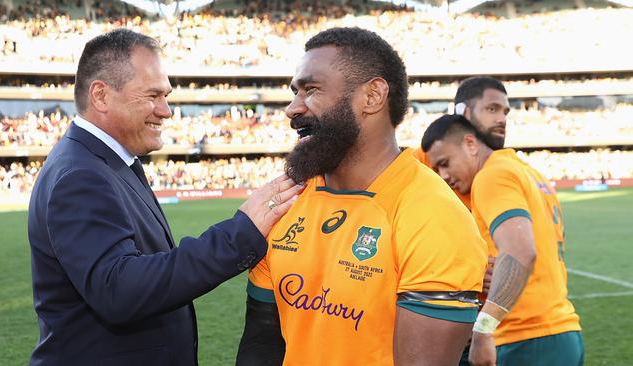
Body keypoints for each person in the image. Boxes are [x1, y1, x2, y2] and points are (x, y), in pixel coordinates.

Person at [27, 29, 302, 366]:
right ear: (101, 95)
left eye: (166, 96)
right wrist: (239, 234)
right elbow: (119, 290)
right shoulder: (81, 174)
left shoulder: (107, 162)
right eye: (153, 95)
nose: (166, 111)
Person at [235, 27, 487, 365]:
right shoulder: (282, 202)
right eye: (295, 92)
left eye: (311, 89)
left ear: (372, 96)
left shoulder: (435, 216)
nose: (292, 108)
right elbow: (262, 343)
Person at [421, 114, 583, 366]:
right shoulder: (527, 171)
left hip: (526, 336)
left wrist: (484, 327)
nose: (443, 175)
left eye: (445, 163)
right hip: (559, 329)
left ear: (470, 144)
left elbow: (520, 251)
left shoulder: (491, 176)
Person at [414, 76, 510, 209]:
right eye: (492, 109)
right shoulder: (425, 157)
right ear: (463, 112)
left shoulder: (504, 171)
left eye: (505, 112)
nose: (502, 119)